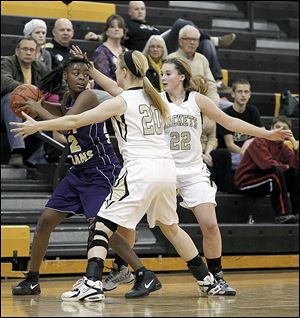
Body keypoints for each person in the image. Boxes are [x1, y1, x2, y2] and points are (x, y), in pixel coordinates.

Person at [11, 50, 228, 301]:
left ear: (125, 72)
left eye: (116, 69)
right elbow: (78, 108)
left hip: (135, 170)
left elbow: (73, 121)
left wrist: (37, 124)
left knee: (102, 224)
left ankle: (94, 282)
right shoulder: (156, 97)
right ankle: (207, 280)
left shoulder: (122, 100)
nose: (114, 73)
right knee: (171, 228)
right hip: (166, 170)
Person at [10, 56, 137, 295]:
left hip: (101, 168)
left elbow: (66, 125)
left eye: (85, 74)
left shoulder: (88, 96)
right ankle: (32, 278)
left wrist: (39, 110)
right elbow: (58, 112)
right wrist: (31, 101)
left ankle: (141, 273)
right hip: (79, 171)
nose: (81, 77)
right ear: (65, 76)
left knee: (101, 227)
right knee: (46, 220)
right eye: (76, 73)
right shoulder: (69, 98)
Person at [235, 116, 298, 224]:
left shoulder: (283, 148)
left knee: (296, 173)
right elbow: (266, 164)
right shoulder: (259, 141)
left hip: (266, 178)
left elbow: (295, 165)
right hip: (246, 181)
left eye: (285, 128)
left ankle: (297, 213)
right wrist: (285, 167)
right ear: (271, 129)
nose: (281, 130)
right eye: (278, 127)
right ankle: (283, 215)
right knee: (275, 173)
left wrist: (294, 144)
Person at [1, 36, 50, 169]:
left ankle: (35, 159)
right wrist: (30, 91)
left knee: (51, 109)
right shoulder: (7, 63)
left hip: (30, 110)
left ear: (35, 53)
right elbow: (4, 82)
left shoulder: (39, 66)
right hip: (5, 111)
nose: (28, 52)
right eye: (25, 49)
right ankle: (17, 151)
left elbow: (55, 83)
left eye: (31, 50)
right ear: (17, 51)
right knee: (12, 97)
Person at [168, 25, 220, 107]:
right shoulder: (172, 59)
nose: (192, 42)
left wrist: (214, 104)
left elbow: (211, 85)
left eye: (195, 40)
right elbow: (171, 87)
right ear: (180, 41)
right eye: (188, 39)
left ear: (198, 43)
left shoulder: (202, 59)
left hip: (203, 103)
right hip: (179, 104)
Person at [217, 79, 263, 170]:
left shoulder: (253, 111)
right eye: (239, 91)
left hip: (250, 152)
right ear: (233, 94)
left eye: (246, 92)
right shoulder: (225, 113)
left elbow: (261, 135)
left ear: (250, 94)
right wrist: (246, 154)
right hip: (233, 154)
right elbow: (230, 145)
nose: (243, 95)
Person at [93, 14, 127, 89]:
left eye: (120, 27)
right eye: (112, 27)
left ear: (123, 31)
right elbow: (103, 78)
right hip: (105, 91)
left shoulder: (126, 51)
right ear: (106, 31)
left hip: (125, 91)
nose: (116, 29)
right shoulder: (101, 51)